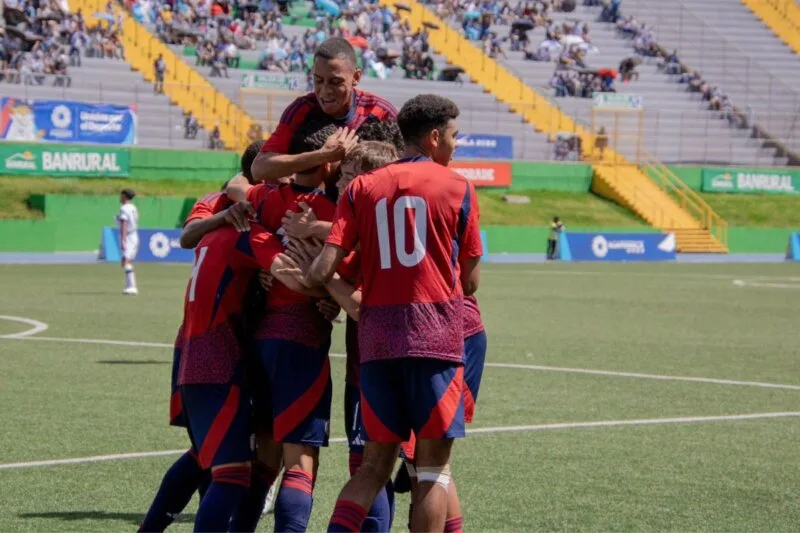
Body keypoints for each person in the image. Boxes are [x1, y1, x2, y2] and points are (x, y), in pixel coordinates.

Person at [296, 94, 482, 532]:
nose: (456, 145)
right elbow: (470, 282)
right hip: (434, 338)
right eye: (454, 136)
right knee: (432, 470)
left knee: (372, 467)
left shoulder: (362, 188)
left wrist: (310, 275)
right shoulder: (457, 186)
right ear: (434, 137)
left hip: (377, 342)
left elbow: (323, 268)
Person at [248, 37, 397, 183]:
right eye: (318, 80)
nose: (325, 90)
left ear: (356, 77)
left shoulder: (381, 112)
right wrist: (323, 156)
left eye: (335, 82)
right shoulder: (301, 110)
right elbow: (259, 169)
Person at [117, 188, 139, 296]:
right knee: (124, 261)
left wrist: (123, 239)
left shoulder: (124, 208)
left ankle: (132, 287)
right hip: (134, 234)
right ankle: (128, 286)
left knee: (126, 261)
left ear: (124, 196)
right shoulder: (133, 207)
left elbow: (124, 224)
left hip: (129, 236)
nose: (120, 197)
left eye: (121, 195)